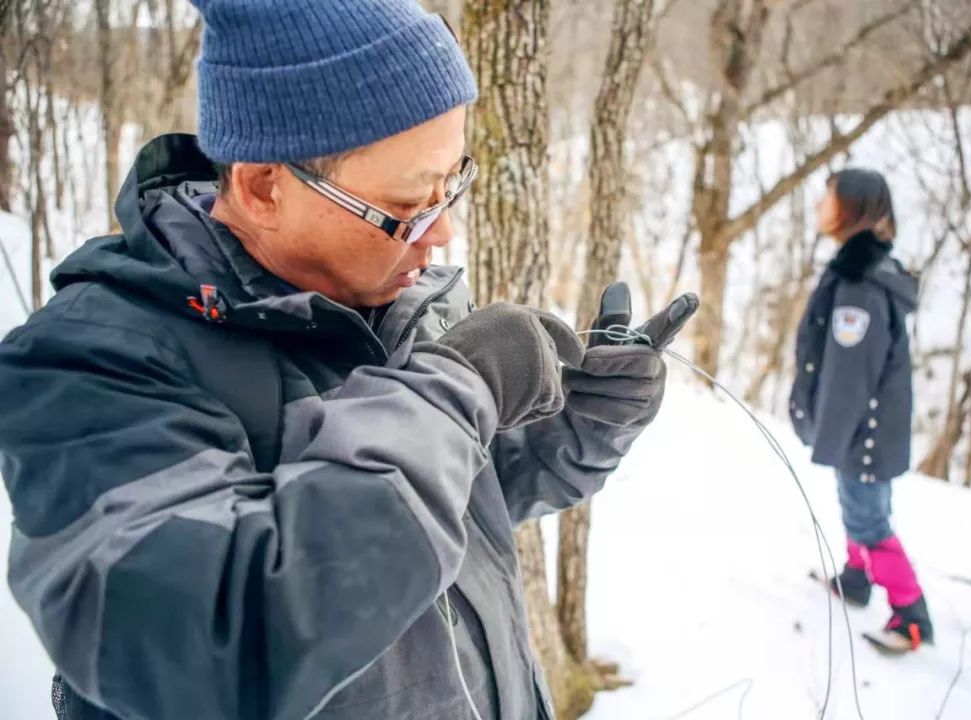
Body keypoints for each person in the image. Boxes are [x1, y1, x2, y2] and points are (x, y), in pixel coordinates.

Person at [0, 2, 697, 718]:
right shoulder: (86, 367)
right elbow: (214, 648)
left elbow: (469, 492)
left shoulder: (401, 296)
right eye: (408, 205)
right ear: (265, 183)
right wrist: (453, 393)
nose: (443, 234)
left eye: (452, 183)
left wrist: (583, 422)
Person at [789, 168, 932, 652]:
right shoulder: (859, 269)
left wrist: (828, 439)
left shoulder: (859, 284)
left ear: (852, 208)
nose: (820, 207)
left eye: (828, 199)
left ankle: (911, 615)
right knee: (859, 506)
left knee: (868, 518)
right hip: (864, 430)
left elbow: (850, 376)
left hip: (863, 431)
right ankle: (855, 578)